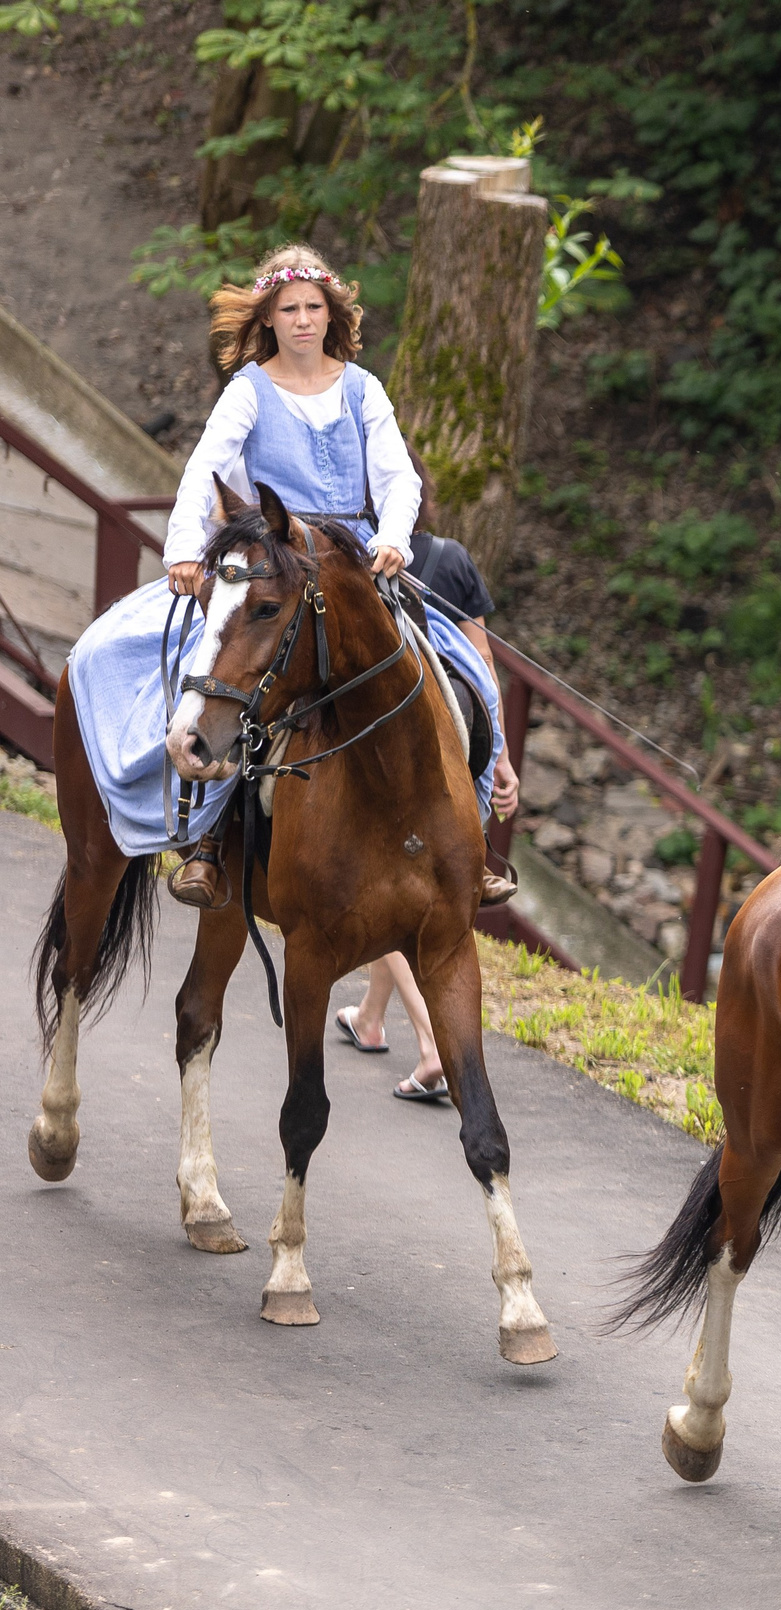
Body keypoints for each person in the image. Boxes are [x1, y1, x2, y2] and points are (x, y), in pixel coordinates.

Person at [158, 243, 516, 909]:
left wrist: (392, 538)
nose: (301, 320)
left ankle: (473, 841)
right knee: (226, 674)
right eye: (288, 308)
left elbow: (397, 477)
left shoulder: (363, 387)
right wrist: (184, 546)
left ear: (331, 314)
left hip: (353, 560)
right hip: (278, 557)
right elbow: (202, 466)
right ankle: (210, 843)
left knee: (464, 670)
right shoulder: (248, 391)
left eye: (312, 308)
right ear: (267, 317)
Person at [334, 530, 521, 1104]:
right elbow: (482, 664)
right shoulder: (454, 559)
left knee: (388, 892)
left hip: (386, 751)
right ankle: (369, 1016)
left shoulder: (349, 551)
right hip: (453, 744)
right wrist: (504, 758)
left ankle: (429, 1041)